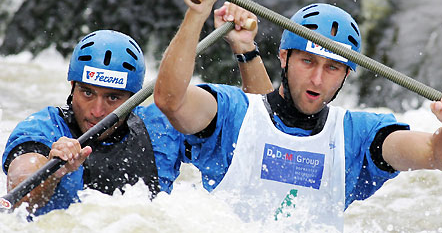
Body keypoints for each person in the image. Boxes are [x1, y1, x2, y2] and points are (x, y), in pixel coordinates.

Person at [154, 0, 442, 231]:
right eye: (307, 61)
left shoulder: (360, 135)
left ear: (348, 74)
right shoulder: (231, 111)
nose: (318, 79)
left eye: (333, 68)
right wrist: (197, 14)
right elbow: (171, 100)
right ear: (284, 57)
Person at [2, 24, 272, 215]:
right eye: (87, 92)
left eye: (113, 98)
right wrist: (54, 169)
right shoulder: (43, 128)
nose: (97, 110)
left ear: (134, 98)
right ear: (71, 85)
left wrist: (245, 49)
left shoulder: (163, 125)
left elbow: (258, 127)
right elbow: (20, 189)